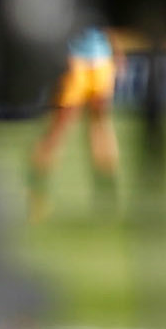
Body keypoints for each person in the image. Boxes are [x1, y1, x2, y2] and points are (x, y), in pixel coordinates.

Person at [26, 27, 121, 222]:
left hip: (101, 58)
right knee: (60, 128)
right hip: (75, 59)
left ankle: (105, 196)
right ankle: (36, 193)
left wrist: (116, 50)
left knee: (100, 125)